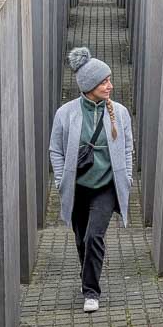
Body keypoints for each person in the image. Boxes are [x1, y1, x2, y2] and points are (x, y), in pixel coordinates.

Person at [49, 47, 134, 312]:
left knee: (94, 236)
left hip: (105, 187)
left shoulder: (119, 113)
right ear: (89, 85)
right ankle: (88, 276)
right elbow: (56, 149)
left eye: (109, 80)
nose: (110, 85)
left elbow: (128, 148)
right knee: (80, 239)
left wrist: (127, 179)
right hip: (77, 187)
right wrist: (62, 180)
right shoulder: (66, 113)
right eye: (104, 81)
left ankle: (91, 291)